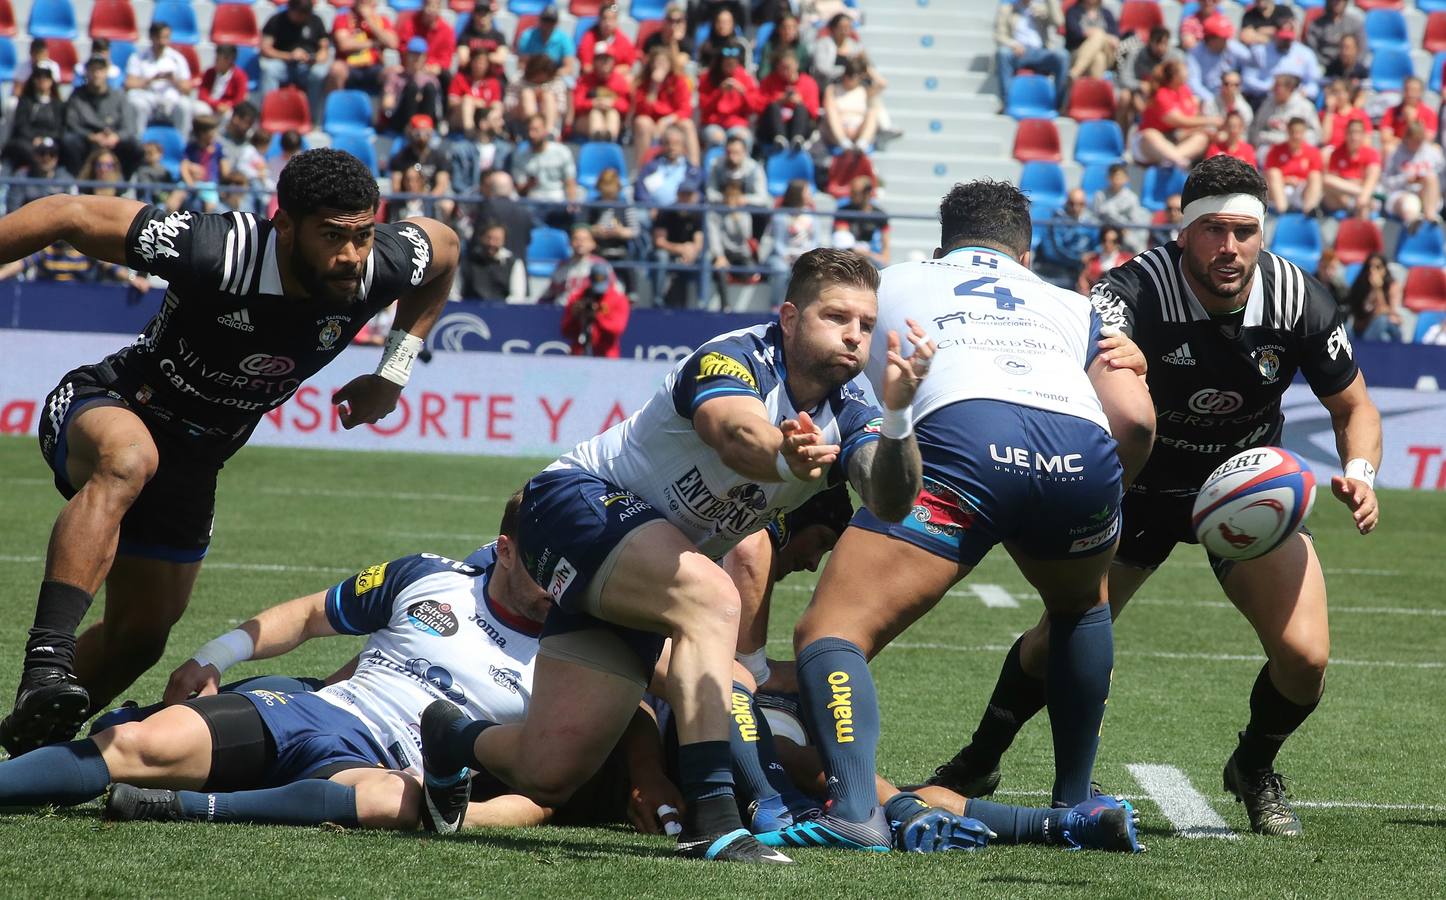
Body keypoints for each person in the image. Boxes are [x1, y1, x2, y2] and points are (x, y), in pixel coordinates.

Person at [416, 246, 933, 863]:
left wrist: (900, 417)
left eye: (867, 325)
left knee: (549, 769)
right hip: (576, 504)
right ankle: (714, 820)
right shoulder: (733, 356)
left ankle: (452, 738)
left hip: (638, 563)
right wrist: (779, 454)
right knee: (712, 598)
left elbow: (891, 497)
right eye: (837, 317)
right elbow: (732, 430)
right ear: (791, 319)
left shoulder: (855, 410)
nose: (854, 336)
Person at [934, 154, 1383, 839]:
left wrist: (1361, 470)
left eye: (1243, 231)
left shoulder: (1300, 300)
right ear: (1184, 233)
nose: (1227, 247)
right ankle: (981, 756)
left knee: (1306, 659)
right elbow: (1076, 372)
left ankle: (1253, 766)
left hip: (1243, 493)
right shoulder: (1131, 294)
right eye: (1211, 231)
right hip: (1136, 490)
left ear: (1263, 234)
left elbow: (1356, 406)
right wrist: (1115, 367)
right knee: (1062, 635)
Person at [0, 148, 460, 757]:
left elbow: (446, 247)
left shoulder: (379, 265)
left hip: (198, 460)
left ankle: (32, 741)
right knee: (131, 459)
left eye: (363, 235)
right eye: (332, 237)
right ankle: (46, 665)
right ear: (286, 225)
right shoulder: (219, 249)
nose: (351, 255)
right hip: (111, 405)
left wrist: (394, 371)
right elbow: (67, 213)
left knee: (142, 637)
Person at [756, 179, 1153, 851]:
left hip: (962, 442)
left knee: (832, 631)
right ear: (1024, 256)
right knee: (1081, 610)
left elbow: (833, 356)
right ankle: (1075, 801)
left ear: (943, 247)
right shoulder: (1071, 303)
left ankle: (854, 811)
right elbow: (1137, 422)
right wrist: (1099, 494)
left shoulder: (895, 281)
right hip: (1083, 455)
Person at [0, 497, 554, 833]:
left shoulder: (576, 660)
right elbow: (311, 614)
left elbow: (543, 792)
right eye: (542, 564)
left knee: (396, 802)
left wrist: (452, 806)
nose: (558, 581)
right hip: (318, 711)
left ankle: (179, 807)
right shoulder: (430, 578)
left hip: (389, 766)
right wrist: (212, 656)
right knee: (136, 747)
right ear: (503, 549)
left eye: (568, 568)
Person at [63, 56, 143, 178]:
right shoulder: (77, 96)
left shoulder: (118, 96)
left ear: (106, 72)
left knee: (135, 146)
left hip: (113, 139)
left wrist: (116, 137)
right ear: (87, 73)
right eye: (92, 70)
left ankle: (126, 183)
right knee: (69, 140)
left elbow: (129, 127)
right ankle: (76, 182)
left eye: (100, 70)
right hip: (88, 140)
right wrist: (92, 136)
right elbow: (71, 123)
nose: (96, 74)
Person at [1134, 59, 1219, 169]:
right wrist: (1210, 120)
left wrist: (1202, 128)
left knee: (1202, 137)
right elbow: (1179, 120)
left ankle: (1174, 159)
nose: (1187, 73)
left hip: (1174, 141)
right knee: (1151, 134)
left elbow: (1192, 118)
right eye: (1184, 70)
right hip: (1149, 144)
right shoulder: (1161, 94)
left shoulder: (1185, 90)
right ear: (1174, 76)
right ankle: (1175, 159)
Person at [259, 0, 332, 115]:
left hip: (306, 66)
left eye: (306, 13)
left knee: (319, 73)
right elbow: (265, 49)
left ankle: (312, 118)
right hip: (282, 63)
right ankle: (268, 114)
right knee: (269, 70)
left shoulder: (316, 20)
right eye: (300, 13)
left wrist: (312, 58)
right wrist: (289, 56)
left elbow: (324, 50)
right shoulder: (276, 20)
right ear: (290, 10)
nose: (303, 16)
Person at [995, 0, 1068, 112]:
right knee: (1003, 53)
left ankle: (1058, 105)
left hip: (1041, 53)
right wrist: (1013, 44)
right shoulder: (1007, 9)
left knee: (1063, 56)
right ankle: (1007, 103)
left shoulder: (1042, 9)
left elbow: (1059, 22)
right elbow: (999, 36)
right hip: (1018, 53)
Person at [632, 47, 699, 166]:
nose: (660, 66)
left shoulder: (678, 81)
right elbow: (642, 110)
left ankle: (694, 169)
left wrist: (667, 121)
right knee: (642, 122)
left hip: (672, 122)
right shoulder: (643, 82)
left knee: (687, 125)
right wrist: (653, 87)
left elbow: (685, 109)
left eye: (664, 62)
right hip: (652, 123)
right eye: (657, 62)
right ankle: (643, 169)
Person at [511, 114, 580, 227]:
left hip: (558, 199)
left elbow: (570, 182)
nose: (531, 134)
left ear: (545, 130)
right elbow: (520, 191)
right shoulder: (520, 156)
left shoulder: (561, 151)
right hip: (533, 201)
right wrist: (529, 184)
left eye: (535, 130)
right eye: (528, 130)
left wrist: (572, 203)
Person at [766, 179, 823, 308]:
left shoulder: (812, 216)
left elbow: (815, 241)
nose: (810, 195)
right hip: (783, 256)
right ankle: (776, 305)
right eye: (807, 192)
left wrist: (807, 255)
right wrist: (788, 257)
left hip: (805, 255)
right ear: (798, 194)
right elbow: (778, 243)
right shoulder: (780, 216)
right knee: (780, 270)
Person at [389, 114, 454, 221]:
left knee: (446, 204)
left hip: (431, 198)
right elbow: (396, 186)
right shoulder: (400, 157)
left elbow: (442, 185)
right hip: (407, 198)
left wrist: (426, 199)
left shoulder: (439, 157)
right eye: (418, 133)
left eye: (426, 133)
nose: (422, 137)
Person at [1117, 27, 1183, 133]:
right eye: (1157, 43)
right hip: (1139, 94)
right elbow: (1124, 78)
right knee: (1124, 96)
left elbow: (1181, 81)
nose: (1161, 47)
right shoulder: (1136, 54)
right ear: (1150, 42)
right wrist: (1139, 85)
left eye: (1165, 43)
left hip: (1165, 93)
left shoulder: (1176, 56)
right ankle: (1120, 135)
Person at [1241, 20, 1322, 106]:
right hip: (1266, 98)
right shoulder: (1260, 51)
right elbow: (1248, 79)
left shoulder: (1306, 53)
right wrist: (1268, 87)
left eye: (1289, 39)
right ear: (1276, 35)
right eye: (1283, 39)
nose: (1286, 42)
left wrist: (1306, 91)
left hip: (1295, 100)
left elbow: (1313, 84)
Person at [707, 179, 760, 309]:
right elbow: (714, 238)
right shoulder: (714, 214)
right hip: (723, 253)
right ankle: (725, 306)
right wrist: (719, 256)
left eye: (735, 196)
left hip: (740, 253)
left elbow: (746, 235)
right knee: (720, 270)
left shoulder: (744, 214)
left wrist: (736, 217)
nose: (732, 200)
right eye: (729, 196)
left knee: (750, 271)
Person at [699, 43, 763, 150]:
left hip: (736, 124)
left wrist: (743, 92)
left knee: (741, 139)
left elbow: (754, 108)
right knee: (717, 138)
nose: (730, 66)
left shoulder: (745, 78)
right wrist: (719, 92)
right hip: (713, 123)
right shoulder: (707, 78)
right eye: (726, 62)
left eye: (733, 63)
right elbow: (704, 107)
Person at [561, 261, 631, 357]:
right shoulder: (577, 298)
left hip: (606, 354)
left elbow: (617, 329)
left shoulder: (618, 299)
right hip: (579, 353)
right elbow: (566, 331)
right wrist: (576, 315)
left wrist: (597, 316)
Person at [328, 0, 398, 96]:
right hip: (349, 66)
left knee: (393, 73)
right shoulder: (343, 18)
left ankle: (386, 110)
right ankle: (337, 106)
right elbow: (344, 45)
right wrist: (374, 43)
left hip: (374, 67)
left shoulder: (381, 20)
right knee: (336, 69)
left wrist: (370, 21)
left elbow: (392, 43)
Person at [585, 168, 643, 284]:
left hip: (620, 251)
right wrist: (595, 230)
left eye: (611, 185)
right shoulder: (592, 206)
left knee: (628, 265)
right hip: (597, 250)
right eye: (605, 185)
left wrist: (621, 232)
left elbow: (635, 230)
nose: (608, 189)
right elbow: (582, 227)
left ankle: (631, 295)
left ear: (617, 187)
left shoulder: (625, 206)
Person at [1381, 122, 1443, 228]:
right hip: (1402, 193)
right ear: (1407, 138)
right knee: (1409, 204)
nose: (1417, 144)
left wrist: (1423, 180)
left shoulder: (1433, 152)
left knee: (1431, 177)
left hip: (1427, 196)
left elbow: (1442, 177)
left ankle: (1430, 217)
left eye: (1420, 141)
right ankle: (1413, 224)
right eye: (1414, 140)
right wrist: (1405, 179)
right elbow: (1386, 182)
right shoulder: (1395, 153)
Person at [1035, 187, 1098, 289]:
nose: (1075, 208)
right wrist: (1079, 259)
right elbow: (1053, 252)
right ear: (1066, 202)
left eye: (1080, 204)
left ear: (1085, 204)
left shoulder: (1091, 223)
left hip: (1080, 270)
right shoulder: (1054, 222)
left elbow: (1097, 247)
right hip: (1054, 270)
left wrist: (1090, 259)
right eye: (1072, 203)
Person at [758, 52, 820, 153]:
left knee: (801, 109)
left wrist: (800, 101)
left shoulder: (809, 83)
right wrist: (779, 100)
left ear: (796, 65)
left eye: (788, 67)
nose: (785, 71)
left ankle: (797, 140)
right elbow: (758, 105)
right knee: (773, 107)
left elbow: (814, 111)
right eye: (782, 68)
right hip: (774, 127)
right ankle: (779, 140)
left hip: (798, 125)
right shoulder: (769, 81)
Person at [382, 38, 444, 135]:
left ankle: (424, 129)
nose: (416, 59)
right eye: (413, 55)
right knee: (412, 88)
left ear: (424, 57)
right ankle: (410, 128)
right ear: (407, 55)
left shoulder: (431, 79)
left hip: (423, 116)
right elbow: (387, 103)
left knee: (430, 88)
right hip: (402, 119)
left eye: (419, 56)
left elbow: (436, 106)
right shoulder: (396, 76)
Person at [1264, 117, 1324, 215]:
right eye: (1293, 132)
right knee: (1274, 173)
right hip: (1281, 189)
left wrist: (1299, 181)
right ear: (1288, 132)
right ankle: (1283, 211)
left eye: (1299, 132)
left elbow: (1316, 177)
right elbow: (1268, 175)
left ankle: (1309, 211)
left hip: (1302, 190)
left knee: (1315, 175)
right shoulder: (1275, 150)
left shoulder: (1313, 152)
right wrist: (1287, 180)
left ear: (1304, 133)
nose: (1296, 136)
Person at [1250, 74, 1320, 157]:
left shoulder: (1304, 106)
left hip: (1296, 150)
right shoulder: (1268, 103)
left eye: (1277, 86)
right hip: (1269, 147)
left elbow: (1316, 134)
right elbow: (1256, 128)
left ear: (1289, 88)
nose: (1273, 89)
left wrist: (1295, 139)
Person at [636, 124, 704, 209]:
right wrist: (650, 207)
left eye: (676, 143)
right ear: (662, 145)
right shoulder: (650, 168)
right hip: (653, 212)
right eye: (668, 143)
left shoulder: (693, 171)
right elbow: (641, 191)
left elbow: (700, 194)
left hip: (682, 212)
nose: (672, 147)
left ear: (683, 146)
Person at [1322, 118, 1380, 217]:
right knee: (1326, 180)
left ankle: (1360, 229)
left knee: (1363, 202)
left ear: (1363, 135)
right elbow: (1333, 181)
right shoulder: (1336, 153)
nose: (1354, 137)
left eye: (1358, 133)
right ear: (1346, 134)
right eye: (1351, 132)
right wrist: (1355, 186)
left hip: (1363, 199)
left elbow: (1371, 179)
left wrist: (1361, 193)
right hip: (1342, 198)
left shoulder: (1371, 154)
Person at [1185, 15, 1252, 101]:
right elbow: (1194, 84)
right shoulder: (1194, 54)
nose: (1226, 40)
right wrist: (1212, 100)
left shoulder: (1232, 47)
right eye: (1222, 38)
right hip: (1206, 98)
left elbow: (1252, 64)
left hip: (1231, 95)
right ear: (1210, 38)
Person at [571, 49, 632, 143]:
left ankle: (609, 139)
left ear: (613, 62)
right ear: (594, 61)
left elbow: (627, 106)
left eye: (607, 59)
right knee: (595, 114)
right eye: (600, 59)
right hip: (586, 119)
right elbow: (576, 104)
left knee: (613, 113)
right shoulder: (584, 80)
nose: (604, 62)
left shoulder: (619, 80)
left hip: (612, 119)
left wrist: (612, 104)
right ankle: (598, 139)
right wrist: (593, 103)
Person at [821, 58, 879, 154]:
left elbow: (882, 84)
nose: (850, 80)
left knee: (872, 112)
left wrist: (866, 69)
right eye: (848, 76)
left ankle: (862, 144)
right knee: (831, 111)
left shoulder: (863, 90)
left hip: (858, 130)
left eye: (853, 77)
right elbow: (829, 109)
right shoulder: (832, 89)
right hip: (838, 130)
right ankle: (844, 143)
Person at [461, 221, 527, 303]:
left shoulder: (514, 263)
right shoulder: (466, 261)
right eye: (488, 238)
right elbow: (454, 294)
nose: (491, 243)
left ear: (504, 241)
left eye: (496, 239)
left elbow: (517, 297)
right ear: (481, 238)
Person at [505, 55, 568, 140]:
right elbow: (508, 104)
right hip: (522, 118)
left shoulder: (557, 82)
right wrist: (531, 96)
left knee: (548, 96)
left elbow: (562, 107)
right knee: (527, 94)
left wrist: (541, 98)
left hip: (548, 117)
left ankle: (548, 134)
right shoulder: (518, 80)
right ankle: (533, 130)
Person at [1343, 253, 1403, 343]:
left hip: (1388, 326)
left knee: (1382, 321)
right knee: (1346, 328)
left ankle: (1366, 351)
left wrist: (1378, 289)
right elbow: (1357, 313)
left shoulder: (1392, 286)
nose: (1372, 270)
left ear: (1384, 269)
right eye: (1369, 267)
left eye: (1378, 267)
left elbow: (1389, 313)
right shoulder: (1361, 286)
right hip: (1364, 325)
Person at [1090, 162, 1149, 253]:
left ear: (1126, 179)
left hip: (1125, 231)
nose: (1116, 180)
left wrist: (1124, 229)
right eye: (1113, 177)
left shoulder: (1131, 198)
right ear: (1108, 178)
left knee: (1134, 241)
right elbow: (1094, 218)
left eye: (1119, 177)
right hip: (1104, 232)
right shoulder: (1100, 195)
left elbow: (1135, 221)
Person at [7, 136, 74, 214]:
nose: (47, 157)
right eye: (42, 153)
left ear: (57, 157)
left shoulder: (66, 179)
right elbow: (13, 210)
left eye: (52, 153)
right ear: (34, 155)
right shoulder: (22, 176)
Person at [833, 176, 889, 268]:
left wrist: (873, 256)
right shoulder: (843, 211)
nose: (850, 196)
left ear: (867, 194)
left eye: (855, 193)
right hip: (848, 259)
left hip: (871, 260)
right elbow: (844, 244)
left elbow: (886, 252)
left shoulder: (880, 215)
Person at [397, 0, 456, 81]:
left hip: (433, 70)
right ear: (423, 6)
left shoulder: (447, 31)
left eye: (435, 6)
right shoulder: (411, 23)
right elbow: (403, 47)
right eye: (428, 5)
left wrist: (431, 66)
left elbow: (446, 59)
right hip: (411, 66)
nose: (430, 10)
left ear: (439, 8)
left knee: (446, 76)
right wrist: (417, 63)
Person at [448, 51, 504, 138]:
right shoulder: (460, 78)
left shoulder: (493, 82)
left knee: (498, 106)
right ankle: (469, 131)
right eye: (477, 61)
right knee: (467, 100)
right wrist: (473, 101)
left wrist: (483, 104)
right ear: (471, 62)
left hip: (484, 116)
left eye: (483, 63)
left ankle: (494, 133)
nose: (480, 65)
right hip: (460, 117)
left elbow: (495, 103)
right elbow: (451, 102)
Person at [1379, 77, 1438, 158]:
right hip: (1399, 148)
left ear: (1421, 93)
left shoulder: (1429, 113)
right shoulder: (1391, 111)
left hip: (1420, 151)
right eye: (1407, 90)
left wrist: (1411, 121)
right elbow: (1385, 137)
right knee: (1388, 148)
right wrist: (1405, 143)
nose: (1410, 94)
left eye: (1414, 90)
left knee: (1436, 150)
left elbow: (1427, 140)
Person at [706, 135, 768, 207]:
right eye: (729, 153)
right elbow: (710, 193)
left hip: (749, 209)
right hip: (722, 207)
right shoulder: (716, 165)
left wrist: (744, 199)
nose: (732, 157)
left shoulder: (754, 168)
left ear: (744, 152)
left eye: (736, 153)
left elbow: (762, 198)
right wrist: (726, 199)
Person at [517, 4, 577, 79]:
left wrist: (549, 75)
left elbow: (568, 68)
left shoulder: (564, 39)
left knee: (569, 83)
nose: (547, 24)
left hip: (555, 76)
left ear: (556, 22)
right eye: (545, 20)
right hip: (531, 75)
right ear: (539, 20)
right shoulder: (527, 36)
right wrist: (535, 76)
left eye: (551, 21)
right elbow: (522, 63)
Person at [1064, 0, 1118, 82]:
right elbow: (1074, 33)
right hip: (1078, 52)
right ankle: (1094, 92)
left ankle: (1075, 72)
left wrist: (1098, 34)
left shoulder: (1106, 13)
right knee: (1099, 58)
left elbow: (1115, 39)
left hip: (1107, 52)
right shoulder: (1073, 11)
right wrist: (1085, 34)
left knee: (1098, 34)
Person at [1305, 0, 1365, 72]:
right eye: (1334, 0)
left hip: (1349, 69)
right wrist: (1328, 65)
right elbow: (1312, 50)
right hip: (1323, 67)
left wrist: (1352, 65)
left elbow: (1363, 48)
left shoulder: (1354, 24)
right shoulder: (1317, 25)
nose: (1337, 3)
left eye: (1340, 1)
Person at [578, 3, 637, 74]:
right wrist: (601, 74)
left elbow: (628, 65)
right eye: (605, 18)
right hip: (592, 78)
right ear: (599, 20)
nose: (608, 23)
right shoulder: (589, 38)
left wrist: (609, 73)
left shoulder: (622, 40)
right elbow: (586, 66)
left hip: (614, 78)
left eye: (612, 19)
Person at [642, 2, 697, 70]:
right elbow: (647, 63)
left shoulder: (688, 44)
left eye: (678, 21)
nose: (673, 25)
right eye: (670, 20)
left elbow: (677, 67)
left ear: (684, 23)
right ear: (664, 21)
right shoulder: (652, 40)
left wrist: (673, 41)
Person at [1319, 77, 1370, 151]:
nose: (1336, 96)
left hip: (1352, 151)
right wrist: (1329, 110)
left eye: (1339, 92)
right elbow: (1324, 139)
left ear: (1348, 94)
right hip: (1332, 150)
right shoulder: (1325, 114)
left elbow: (1366, 141)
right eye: (1334, 92)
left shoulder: (1360, 114)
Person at [200, 44, 250, 117]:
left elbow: (239, 99)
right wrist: (216, 105)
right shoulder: (209, 72)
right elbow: (202, 94)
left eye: (218, 59)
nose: (215, 62)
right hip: (210, 105)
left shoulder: (240, 76)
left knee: (227, 115)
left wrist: (227, 105)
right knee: (199, 108)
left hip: (226, 109)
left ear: (229, 60)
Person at [757, 14, 810, 81]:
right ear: (779, 29)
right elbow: (763, 72)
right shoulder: (769, 47)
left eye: (793, 28)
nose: (789, 31)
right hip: (773, 85)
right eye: (785, 27)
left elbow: (804, 72)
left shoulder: (801, 49)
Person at [456, 4, 509, 71]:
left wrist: (478, 57)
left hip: (493, 75)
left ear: (491, 15)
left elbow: (501, 59)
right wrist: (490, 57)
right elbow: (463, 59)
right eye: (479, 13)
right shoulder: (466, 35)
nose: (482, 16)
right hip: (470, 74)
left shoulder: (498, 36)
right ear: (474, 15)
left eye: (485, 13)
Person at [699, 6, 752, 73]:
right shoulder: (707, 46)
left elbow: (747, 71)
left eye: (726, 22)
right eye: (719, 22)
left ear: (733, 24)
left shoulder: (741, 44)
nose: (722, 26)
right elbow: (701, 68)